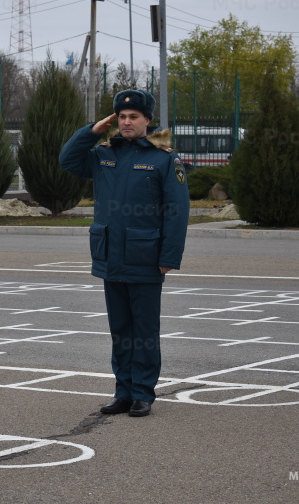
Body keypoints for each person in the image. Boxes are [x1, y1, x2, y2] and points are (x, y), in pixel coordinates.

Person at [59, 89, 189, 417]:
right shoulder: (105, 153)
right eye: (122, 116)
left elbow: (177, 210)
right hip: (110, 256)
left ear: (147, 120)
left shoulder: (164, 159)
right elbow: (67, 161)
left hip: (146, 258)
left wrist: (168, 259)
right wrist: (93, 131)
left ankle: (143, 392)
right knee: (120, 330)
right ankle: (123, 391)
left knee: (144, 330)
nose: (127, 122)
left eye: (133, 117)